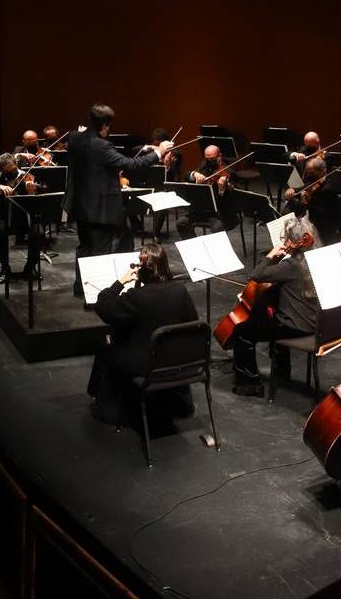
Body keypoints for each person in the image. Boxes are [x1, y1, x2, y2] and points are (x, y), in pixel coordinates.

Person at [65, 104, 174, 296]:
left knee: (85, 247)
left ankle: (80, 287)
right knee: (100, 250)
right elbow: (131, 165)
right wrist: (159, 152)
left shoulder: (74, 138)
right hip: (100, 209)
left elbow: (87, 144)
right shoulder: (102, 146)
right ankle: (95, 293)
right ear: (105, 125)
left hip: (80, 205)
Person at [87, 243, 198, 423]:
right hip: (179, 359)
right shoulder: (180, 291)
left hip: (149, 364)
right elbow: (192, 324)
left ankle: (107, 409)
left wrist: (119, 282)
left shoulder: (137, 297)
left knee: (107, 347)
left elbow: (103, 306)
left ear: (141, 270)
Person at [231, 217, 320, 397]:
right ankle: (282, 372)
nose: (284, 242)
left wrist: (271, 255)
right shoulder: (317, 258)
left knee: (242, 332)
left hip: (295, 327)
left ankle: (250, 384)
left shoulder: (290, 265)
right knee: (273, 316)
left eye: (286, 239)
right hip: (317, 323)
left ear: (293, 242)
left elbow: (256, 275)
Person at [0, 153, 45, 283]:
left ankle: (30, 267)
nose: (13, 172)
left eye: (14, 169)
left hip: (25, 216)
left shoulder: (26, 176)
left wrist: (32, 191)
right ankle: (5, 268)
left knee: (38, 232)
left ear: (16, 164)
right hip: (4, 216)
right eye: (8, 171)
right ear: (1, 168)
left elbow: (43, 190)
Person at [175, 144, 239, 241]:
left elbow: (230, 199)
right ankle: (196, 246)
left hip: (219, 213)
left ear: (219, 156)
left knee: (218, 228)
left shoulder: (229, 172)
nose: (209, 161)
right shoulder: (204, 164)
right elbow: (187, 175)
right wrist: (194, 174)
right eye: (207, 158)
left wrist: (221, 189)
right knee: (181, 223)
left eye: (212, 159)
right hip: (201, 210)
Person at [284, 157, 341, 246]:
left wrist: (308, 203)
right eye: (307, 172)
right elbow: (300, 192)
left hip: (322, 229)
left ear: (323, 171)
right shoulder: (310, 182)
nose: (308, 176)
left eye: (312, 173)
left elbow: (322, 216)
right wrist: (290, 195)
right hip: (309, 224)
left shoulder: (328, 189)